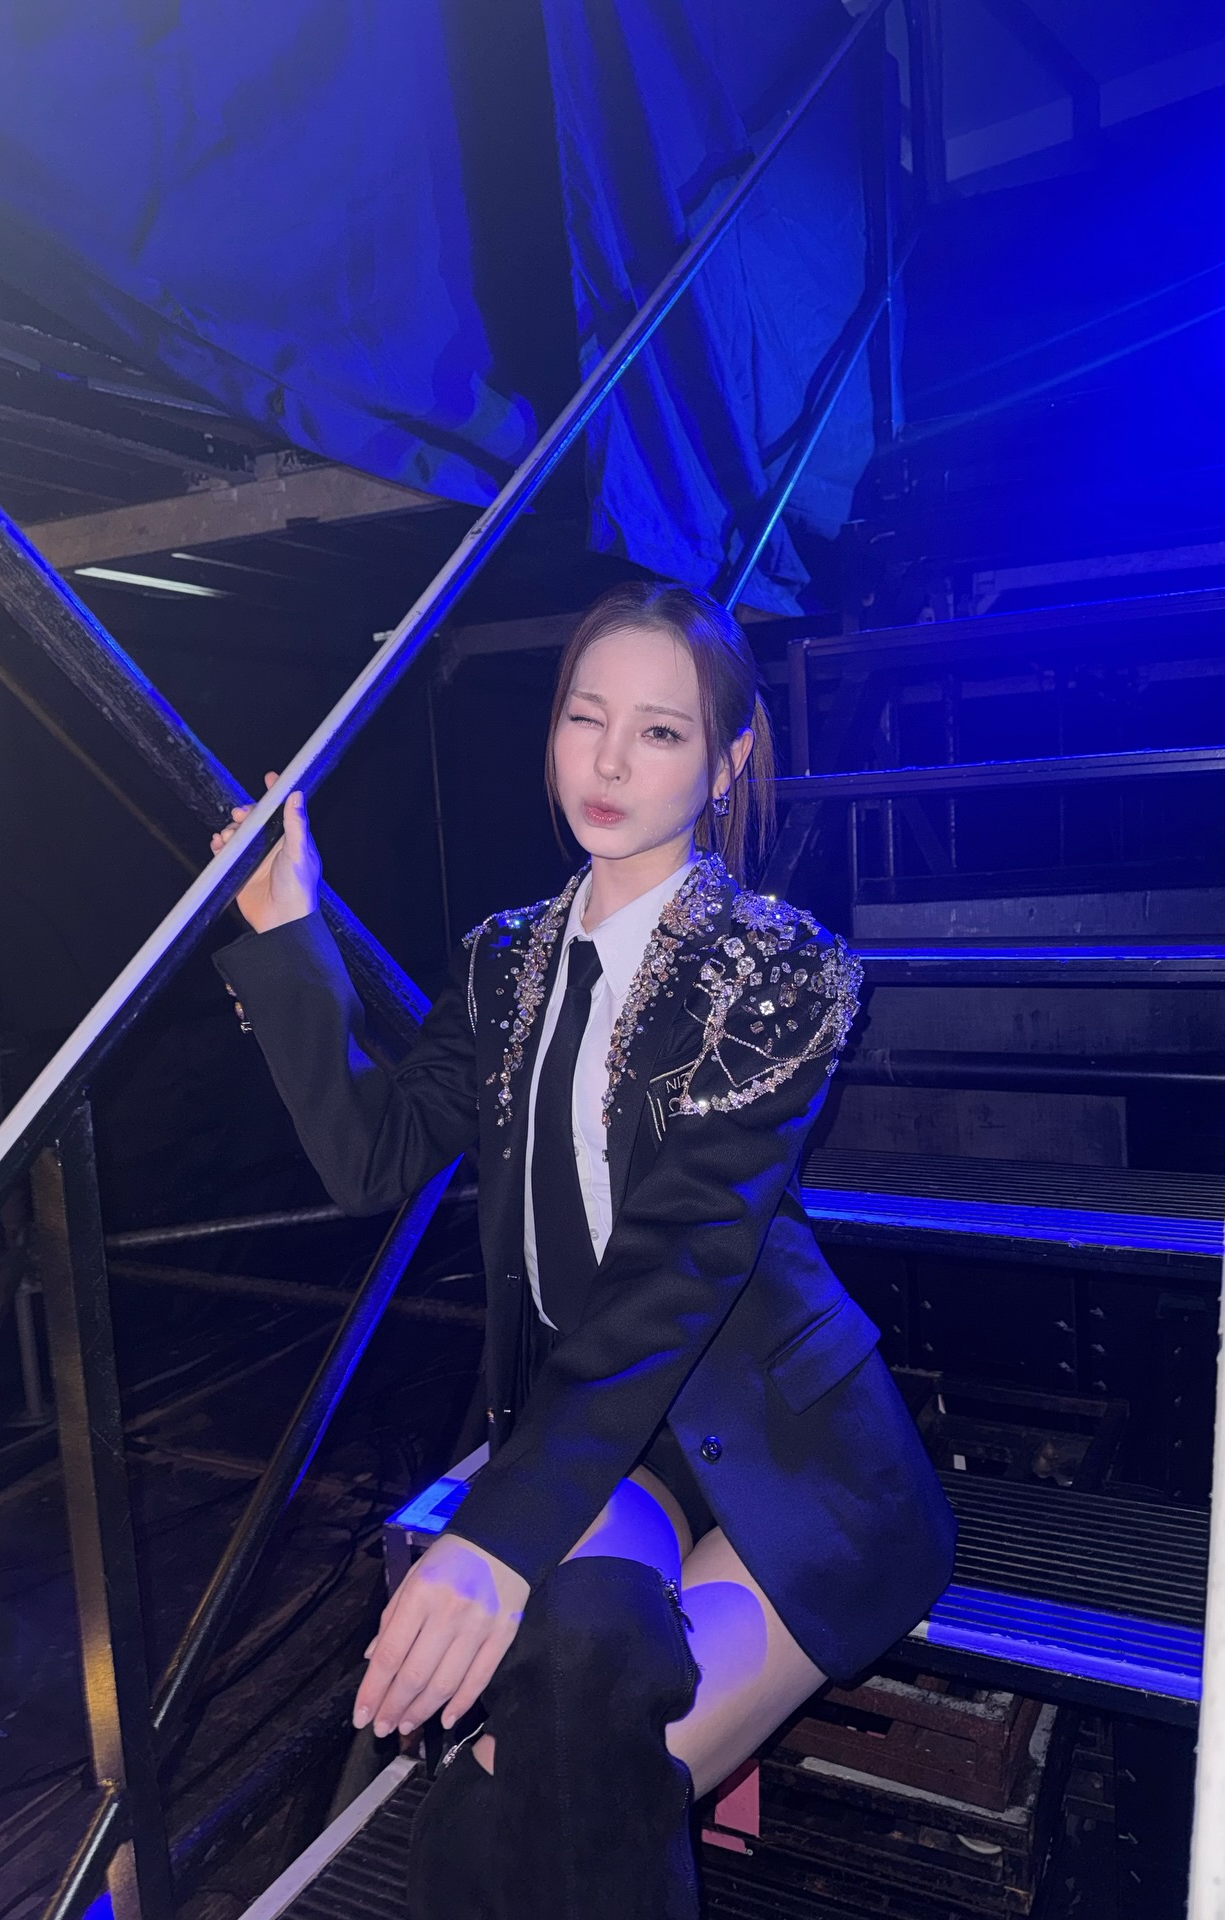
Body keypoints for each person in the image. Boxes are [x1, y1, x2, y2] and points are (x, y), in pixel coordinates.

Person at [210, 580, 956, 1920]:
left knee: (556, 1760)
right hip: (622, 1442)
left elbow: (678, 1269)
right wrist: (289, 931)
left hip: (786, 1445)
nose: (609, 763)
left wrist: (496, 1540)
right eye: (584, 718)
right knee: (580, 1662)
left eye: (660, 733)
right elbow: (371, 1153)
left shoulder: (776, 973)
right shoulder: (505, 965)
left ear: (726, 762)